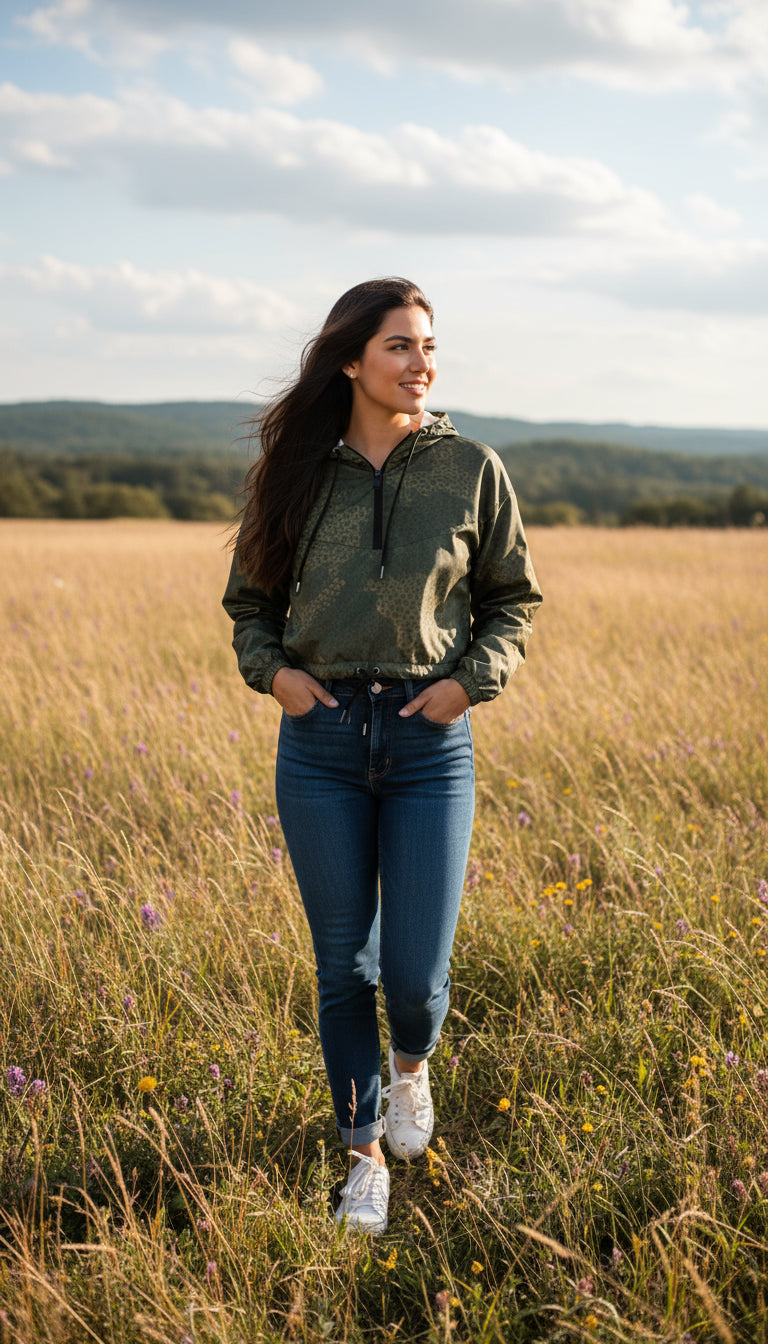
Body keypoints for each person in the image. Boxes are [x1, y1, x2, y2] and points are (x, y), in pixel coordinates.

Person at [222, 277, 542, 1235]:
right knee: (339, 966)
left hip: (427, 740)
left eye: (429, 345)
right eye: (400, 345)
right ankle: (362, 1155)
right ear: (352, 359)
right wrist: (274, 676)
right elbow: (249, 608)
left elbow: (512, 600)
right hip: (317, 743)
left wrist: (469, 682)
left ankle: (412, 1071)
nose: (421, 363)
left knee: (413, 976)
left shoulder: (472, 467)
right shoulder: (293, 475)